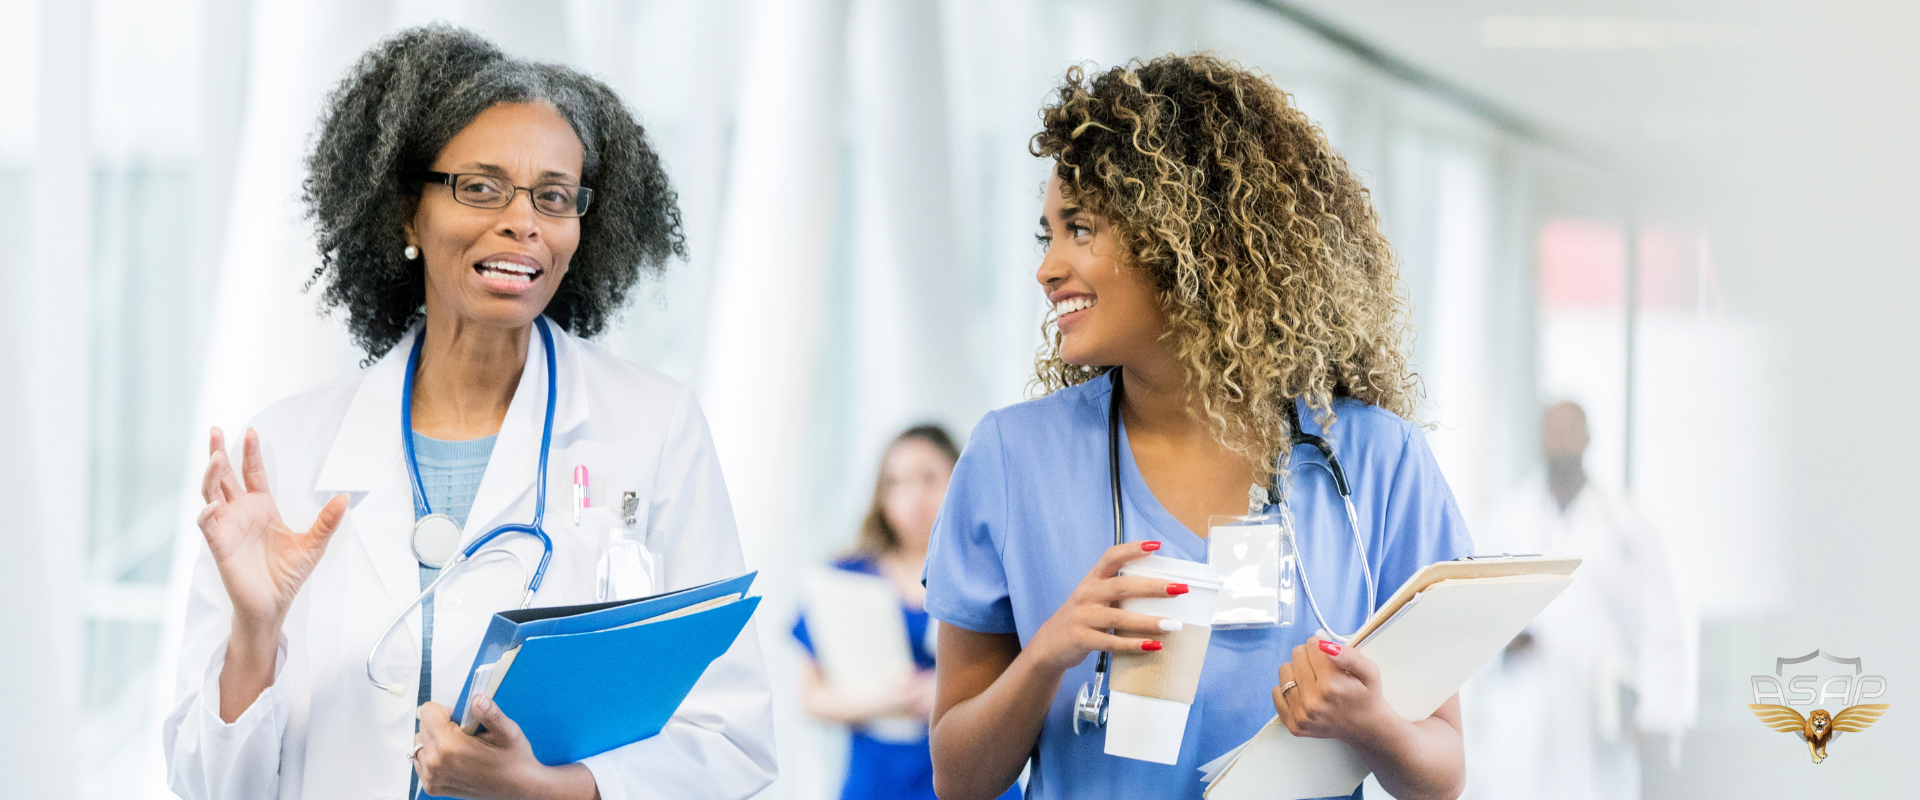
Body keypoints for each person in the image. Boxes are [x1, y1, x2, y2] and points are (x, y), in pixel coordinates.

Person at [162, 26, 775, 800]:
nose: (524, 220)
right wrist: (256, 630)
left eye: (554, 196)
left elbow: (734, 738)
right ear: (406, 213)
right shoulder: (287, 448)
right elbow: (211, 784)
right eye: (480, 187)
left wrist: (555, 790)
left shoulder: (652, 427)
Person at [922, 55, 1475, 800]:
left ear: (1189, 239)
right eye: (1045, 235)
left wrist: (1372, 722)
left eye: (1079, 229)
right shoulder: (1011, 459)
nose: (1047, 268)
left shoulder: (1378, 463)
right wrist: (1047, 655)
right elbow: (957, 778)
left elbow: (1442, 775)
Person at [1463, 402, 1695, 800]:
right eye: (1553, 429)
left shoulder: (1626, 524)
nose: (1561, 439)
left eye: (1571, 430)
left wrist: (1658, 712)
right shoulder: (1505, 521)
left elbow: (1661, 620)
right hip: (1527, 704)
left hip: (1603, 712)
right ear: (1538, 438)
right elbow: (1473, 614)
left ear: (1589, 438)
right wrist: (1506, 639)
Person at [791, 426, 1021, 800]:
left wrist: (951, 696)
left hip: (974, 775)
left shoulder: (996, 572)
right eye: (895, 483)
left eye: (929, 479)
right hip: (879, 778)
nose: (913, 497)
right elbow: (810, 696)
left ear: (960, 482)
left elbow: (1029, 674)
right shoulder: (845, 579)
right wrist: (883, 700)